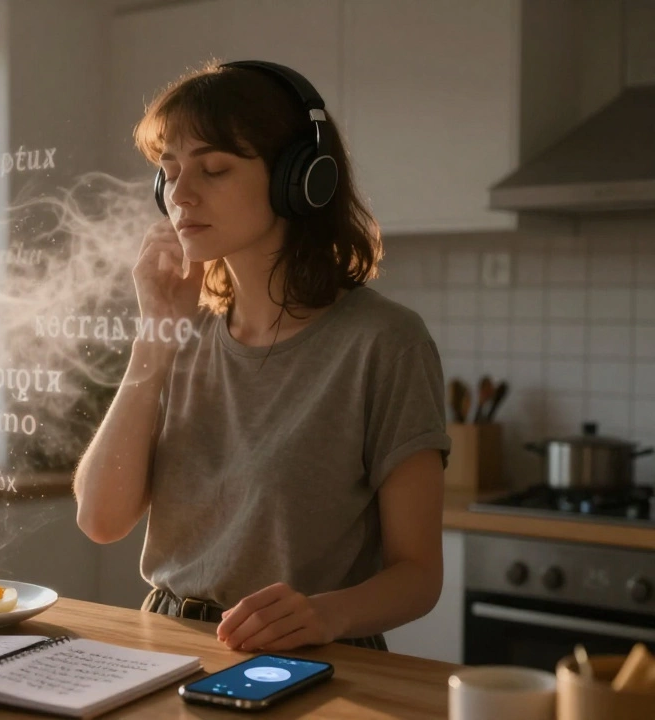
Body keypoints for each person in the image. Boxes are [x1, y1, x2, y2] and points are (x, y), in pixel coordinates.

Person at [72, 60, 451, 652]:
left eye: (214, 168)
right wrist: (155, 335)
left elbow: (419, 576)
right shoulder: (180, 334)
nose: (181, 195)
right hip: (165, 643)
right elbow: (101, 520)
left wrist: (327, 614)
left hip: (311, 658)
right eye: (168, 173)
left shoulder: (386, 343)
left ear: (300, 179)